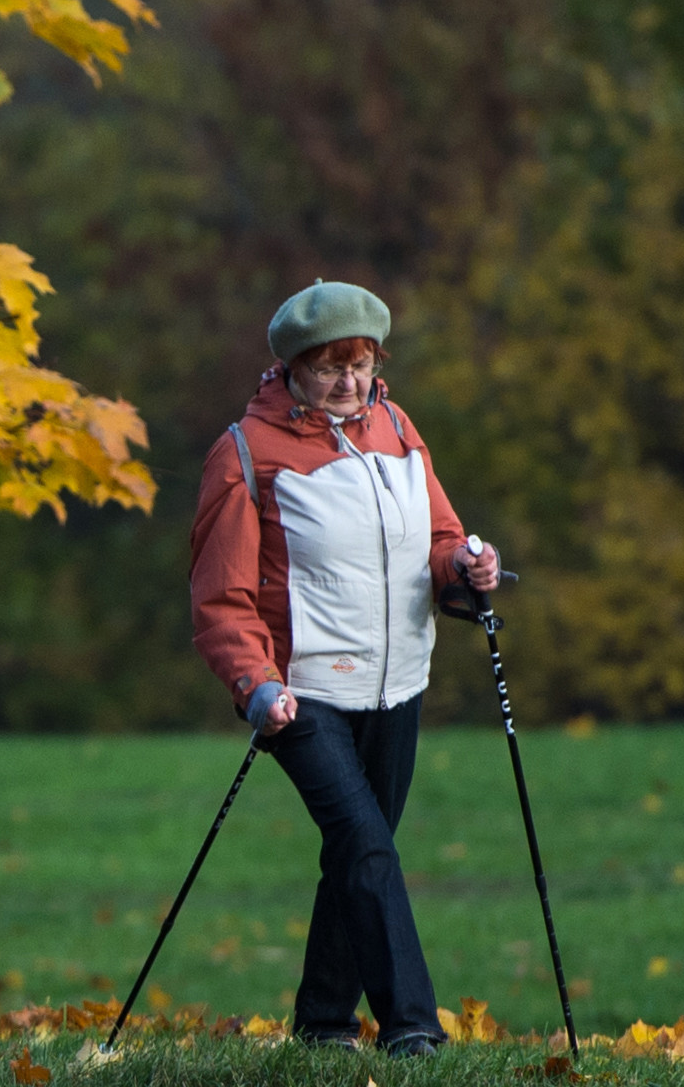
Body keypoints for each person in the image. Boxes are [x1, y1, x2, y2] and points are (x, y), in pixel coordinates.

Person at [187, 279, 502, 1057]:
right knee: (366, 847)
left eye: (360, 363)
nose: (348, 381)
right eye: (330, 366)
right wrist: (255, 686)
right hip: (304, 692)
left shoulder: (397, 429)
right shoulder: (244, 454)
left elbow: (439, 538)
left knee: (358, 854)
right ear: (292, 368)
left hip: (399, 687)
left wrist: (467, 566)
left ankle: (324, 1026)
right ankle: (413, 1030)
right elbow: (220, 600)